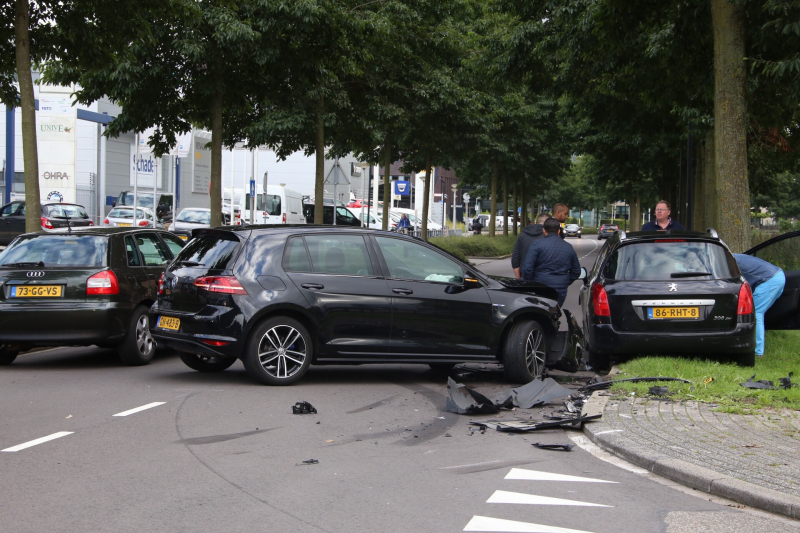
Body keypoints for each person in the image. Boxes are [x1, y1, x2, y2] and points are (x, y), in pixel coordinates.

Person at [733, 254, 786, 357]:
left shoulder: (728, 261)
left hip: (769, 280)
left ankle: (757, 351)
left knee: (756, 313)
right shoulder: (735, 256)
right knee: (759, 313)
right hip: (778, 275)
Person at [521, 217, 581, 306]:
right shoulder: (568, 247)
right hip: (561, 288)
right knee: (555, 313)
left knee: (541, 314)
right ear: (558, 231)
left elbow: (527, 269)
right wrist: (564, 281)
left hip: (540, 287)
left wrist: (530, 283)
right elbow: (576, 271)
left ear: (544, 231)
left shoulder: (536, 244)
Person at [511, 212, 551, 279]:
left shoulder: (522, 234)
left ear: (537, 222)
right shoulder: (548, 236)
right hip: (544, 278)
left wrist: (519, 279)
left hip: (525, 277)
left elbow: (515, 258)